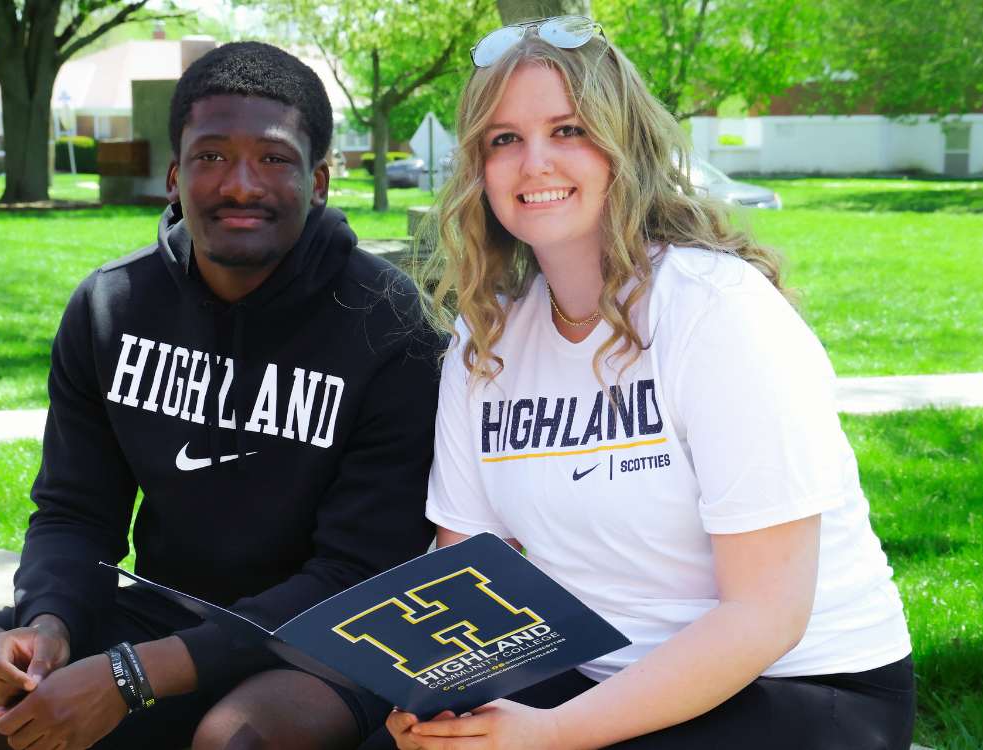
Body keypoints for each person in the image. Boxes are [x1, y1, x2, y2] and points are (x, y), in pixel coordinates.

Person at [0, 41, 445, 750]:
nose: (240, 184)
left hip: (324, 643)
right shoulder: (112, 305)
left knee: (238, 738)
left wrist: (134, 676)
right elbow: (76, 512)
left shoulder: (388, 324)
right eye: (210, 156)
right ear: (174, 176)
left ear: (319, 181)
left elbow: (355, 573)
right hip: (166, 612)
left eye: (273, 158)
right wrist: (49, 624)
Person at [390, 18, 915, 750]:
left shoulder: (715, 311)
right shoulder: (487, 339)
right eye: (502, 139)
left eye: (567, 130)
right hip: (593, 670)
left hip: (799, 683)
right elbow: (465, 570)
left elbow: (767, 615)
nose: (533, 162)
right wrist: (436, 697)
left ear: (623, 147)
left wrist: (554, 734)